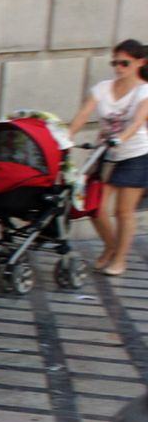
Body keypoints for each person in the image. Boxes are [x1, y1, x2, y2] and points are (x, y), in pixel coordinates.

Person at [66, 39, 148, 276]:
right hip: (105, 153)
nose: (118, 68)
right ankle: (111, 245)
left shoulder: (144, 90)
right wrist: (67, 136)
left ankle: (119, 258)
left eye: (124, 63)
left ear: (140, 63)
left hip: (136, 154)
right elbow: (84, 113)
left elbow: (138, 121)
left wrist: (121, 138)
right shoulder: (103, 87)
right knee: (94, 206)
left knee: (123, 211)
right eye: (115, 63)